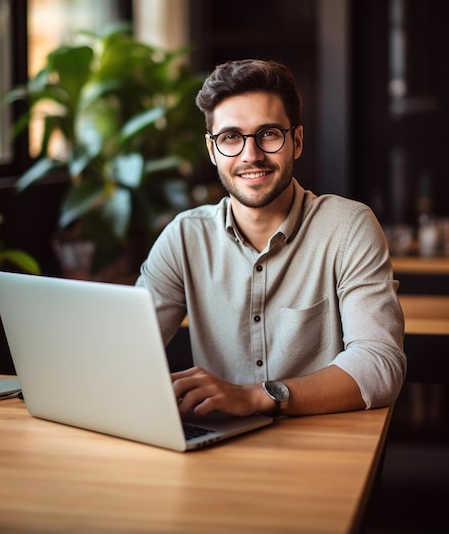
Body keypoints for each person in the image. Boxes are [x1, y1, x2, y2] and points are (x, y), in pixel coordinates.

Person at [136, 59, 406, 419]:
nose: (251, 155)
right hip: (215, 448)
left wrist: (256, 396)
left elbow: (379, 365)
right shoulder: (185, 237)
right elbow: (127, 348)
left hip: (323, 446)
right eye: (231, 137)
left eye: (268, 134)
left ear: (296, 140)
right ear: (212, 149)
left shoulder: (348, 227)